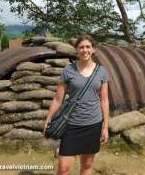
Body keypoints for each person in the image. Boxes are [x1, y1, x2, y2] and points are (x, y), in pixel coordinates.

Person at [44, 34, 110, 175]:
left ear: (93, 50)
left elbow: (104, 100)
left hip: (93, 124)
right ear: (77, 50)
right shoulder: (69, 70)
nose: (85, 50)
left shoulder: (101, 72)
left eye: (88, 47)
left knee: (87, 165)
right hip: (71, 124)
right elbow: (58, 99)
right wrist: (48, 118)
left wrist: (105, 127)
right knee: (64, 168)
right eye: (81, 47)